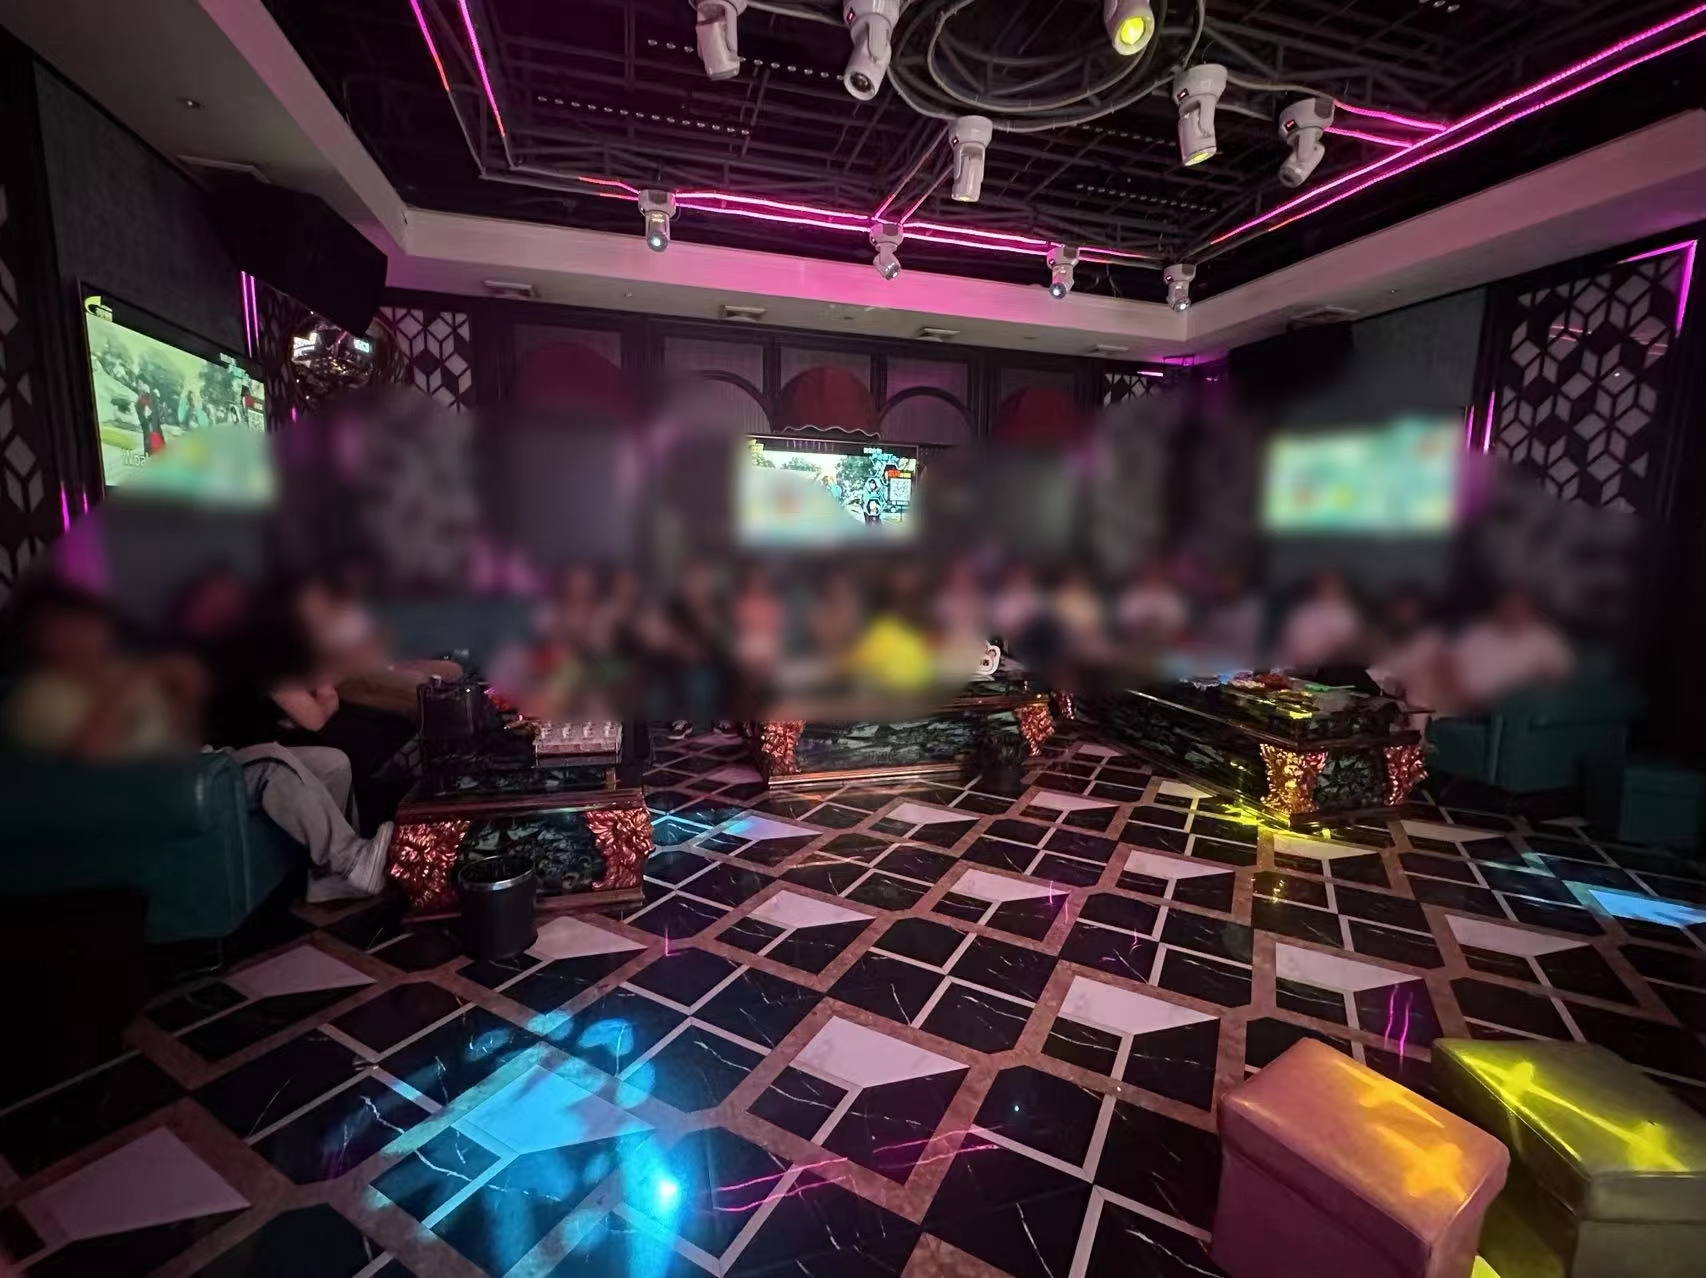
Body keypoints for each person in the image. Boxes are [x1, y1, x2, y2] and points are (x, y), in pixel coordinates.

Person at [4, 581, 390, 902]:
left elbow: (178, 727)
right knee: (274, 764)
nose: (90, 634)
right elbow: (90, 755)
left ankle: (332, 877)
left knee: (331, 762)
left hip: (195, 761)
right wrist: (131, 683)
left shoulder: (114, 671)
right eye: (70, 627)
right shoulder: (39, 694)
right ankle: (350, 861)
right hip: (150, 784)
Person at [1442, 588, 1575, 714]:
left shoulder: (1544, 637)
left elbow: (1563, 673)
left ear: (1530, 610)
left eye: (1519, 608)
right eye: (1508, 607)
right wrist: (1461, 695)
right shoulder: (1477, 632)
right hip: (1467, 707)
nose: (1513, 613)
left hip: (1521, 711)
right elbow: (1447, 666)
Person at [1278, 571, 1364, 671]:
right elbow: (1290, 638)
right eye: (1324, 586)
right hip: (1297, 665)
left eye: (1332, 586)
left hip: (1331, 668)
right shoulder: (1305, 611)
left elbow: (1348, 644)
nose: (1327, 589)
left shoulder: (1347, 613)